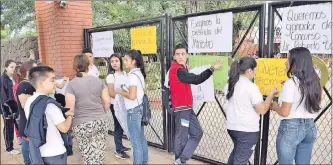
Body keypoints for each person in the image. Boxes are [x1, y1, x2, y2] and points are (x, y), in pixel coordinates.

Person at [168, 44, 221, 165]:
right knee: (181, 137)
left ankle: (181, 159)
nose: (180, 56)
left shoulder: (181, 68)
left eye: (183, 54)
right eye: (178, 54)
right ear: (174, 56)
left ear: (187, 55)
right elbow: (197, 79)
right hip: (182, 110)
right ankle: (180, 161)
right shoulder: (178, 70)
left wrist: (186, 68)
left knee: (197, 133)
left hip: (187, 109)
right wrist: (213, 68)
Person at [271, 47, 322, 164]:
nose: (285, 61)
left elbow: (284, 112)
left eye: (289, 58)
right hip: (310, 127)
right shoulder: (315, 81)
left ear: (296, 63)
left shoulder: (291, 84)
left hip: (291, 128)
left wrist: (274, 106)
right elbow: (317, 100)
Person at [225, 56, 278, 165]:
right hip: (247, 131)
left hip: (232, 127)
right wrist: (271, 94)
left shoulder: (230, 83)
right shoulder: (251, 87)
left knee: (237, 154)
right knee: (240, 160)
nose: (255, 72)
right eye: (255, 70)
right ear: (249, 70)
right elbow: (262, 110)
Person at [65, 54, 110, 164]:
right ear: (89, 66)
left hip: (82, 124)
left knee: (88, 155)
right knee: (99, 154)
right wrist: (101, 112)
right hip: (100, 121)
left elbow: (69, 109)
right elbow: (107, 102)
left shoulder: (71, 85)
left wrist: (68, 125)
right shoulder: (99, 82)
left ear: (75, 67)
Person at [24, 66, 73, 164]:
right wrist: (70, 115)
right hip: (55, 152)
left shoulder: (29, 101)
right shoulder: (49, 104)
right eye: (52, 80)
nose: (55, 83)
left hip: (39, 152)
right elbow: (64, 128)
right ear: (41, 83)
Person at [115, 49, 148, 165]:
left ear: (133, 61)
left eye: (126, 60)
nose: (124, 62)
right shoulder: (139, 74)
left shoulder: (132, 76)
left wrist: (120, 91)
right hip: (139, 109)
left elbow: (132, 96)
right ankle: (144, 161)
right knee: (141, 139)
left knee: (135, 142)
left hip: (133, 111)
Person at [106, 53, 131, 159]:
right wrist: (122, 93)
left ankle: (120, 145)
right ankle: (118, 150)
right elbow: (111, 93)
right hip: (115, 105)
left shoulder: (125, 73)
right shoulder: (111, 76)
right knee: (118, 126)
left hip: (125, 104)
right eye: (112, 61)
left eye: (116, 61)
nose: (114, 63)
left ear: (120, 61)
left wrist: (123, 93)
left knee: (123, 124)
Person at [15, 60, 37, 165]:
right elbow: (26, 107)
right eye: (35, 69)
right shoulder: (24, 86)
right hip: (28, 124)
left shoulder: (27, 85)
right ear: (28, 72)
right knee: (30, 155)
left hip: (29, 124)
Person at [0, 59, 20, 155]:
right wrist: (7, 111)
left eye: (15, 67)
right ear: (6, 67)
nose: (13, 69)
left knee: (18, 126)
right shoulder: (3, 79)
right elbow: (3, 97)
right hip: (7, 108)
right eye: (11, 67)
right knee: (9, 128)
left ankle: (20, 141)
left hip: (15, 106)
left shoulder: (13, 78)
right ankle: (9, 148)